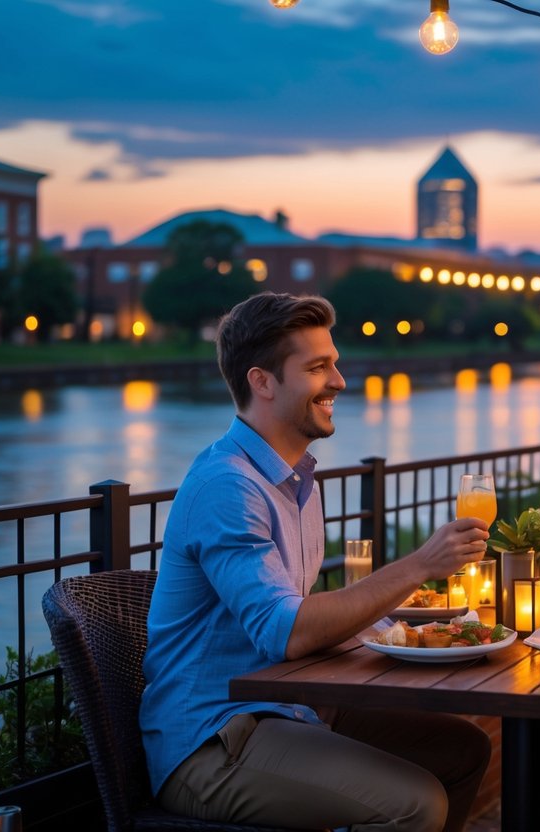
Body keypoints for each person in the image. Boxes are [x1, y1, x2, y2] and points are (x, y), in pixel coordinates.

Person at [139, 293, 491, 832]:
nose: (339, 381)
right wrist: (419, 565)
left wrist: (409, 633)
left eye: (335, 363)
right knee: (416, 803)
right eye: (318, 367)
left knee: (463, 749)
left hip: (287, 711)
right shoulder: (227, 486)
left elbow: (302, 617)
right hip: (213, 743)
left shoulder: (295, 478)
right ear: (263, 382)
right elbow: (287, 632)